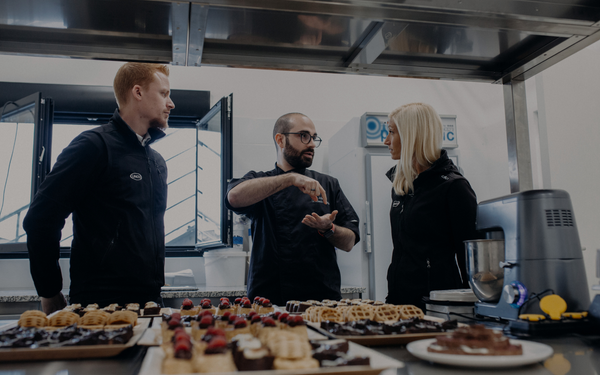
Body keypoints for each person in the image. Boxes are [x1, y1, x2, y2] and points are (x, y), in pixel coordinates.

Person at [24, 62, 175, 314]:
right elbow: (40, 219)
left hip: (149, 301)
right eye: (164, 93)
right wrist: (49, 291)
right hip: (98, 304)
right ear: (137, 92)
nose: (171, 103)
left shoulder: (156, 161)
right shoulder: (93, 146)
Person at [226, 113, 360, 306]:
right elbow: (234, 197)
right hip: (269, 301)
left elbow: (349, 242)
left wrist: (328, 229)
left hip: (322, 301)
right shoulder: (261, 181)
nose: (312, 144)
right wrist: (290, 178)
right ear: (280, 139)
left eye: (314, 137)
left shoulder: (328, 184)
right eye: (304, 136)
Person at [383, 103, 478, 310]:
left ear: (411, 136)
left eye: (391, 132)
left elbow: (468, 260)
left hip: (436, 305)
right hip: (399, 301)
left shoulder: (453, 187)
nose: (386, 141)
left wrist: (471, 312)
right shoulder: (401, 185)